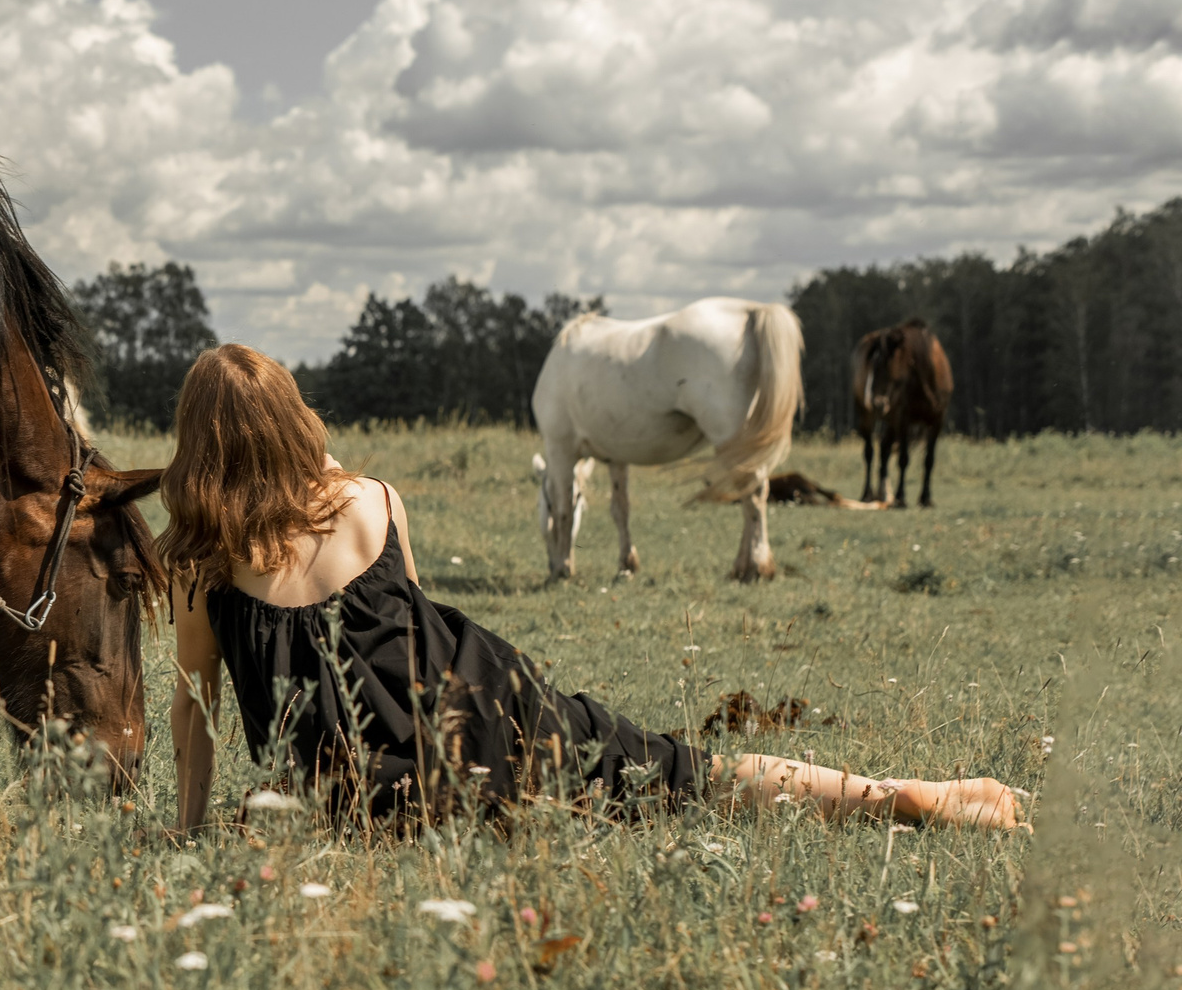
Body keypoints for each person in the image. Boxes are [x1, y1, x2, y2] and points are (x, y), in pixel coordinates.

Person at [161, 345, 1024, 833]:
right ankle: (902, 797)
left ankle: (912, 801)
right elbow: (421, 626)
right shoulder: (373, 501)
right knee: (688, 772)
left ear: (199, 447)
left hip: (368, 791)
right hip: (489, 707)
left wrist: (192, 824)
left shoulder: (201, 567)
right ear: (296, 422)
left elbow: (194, 705)